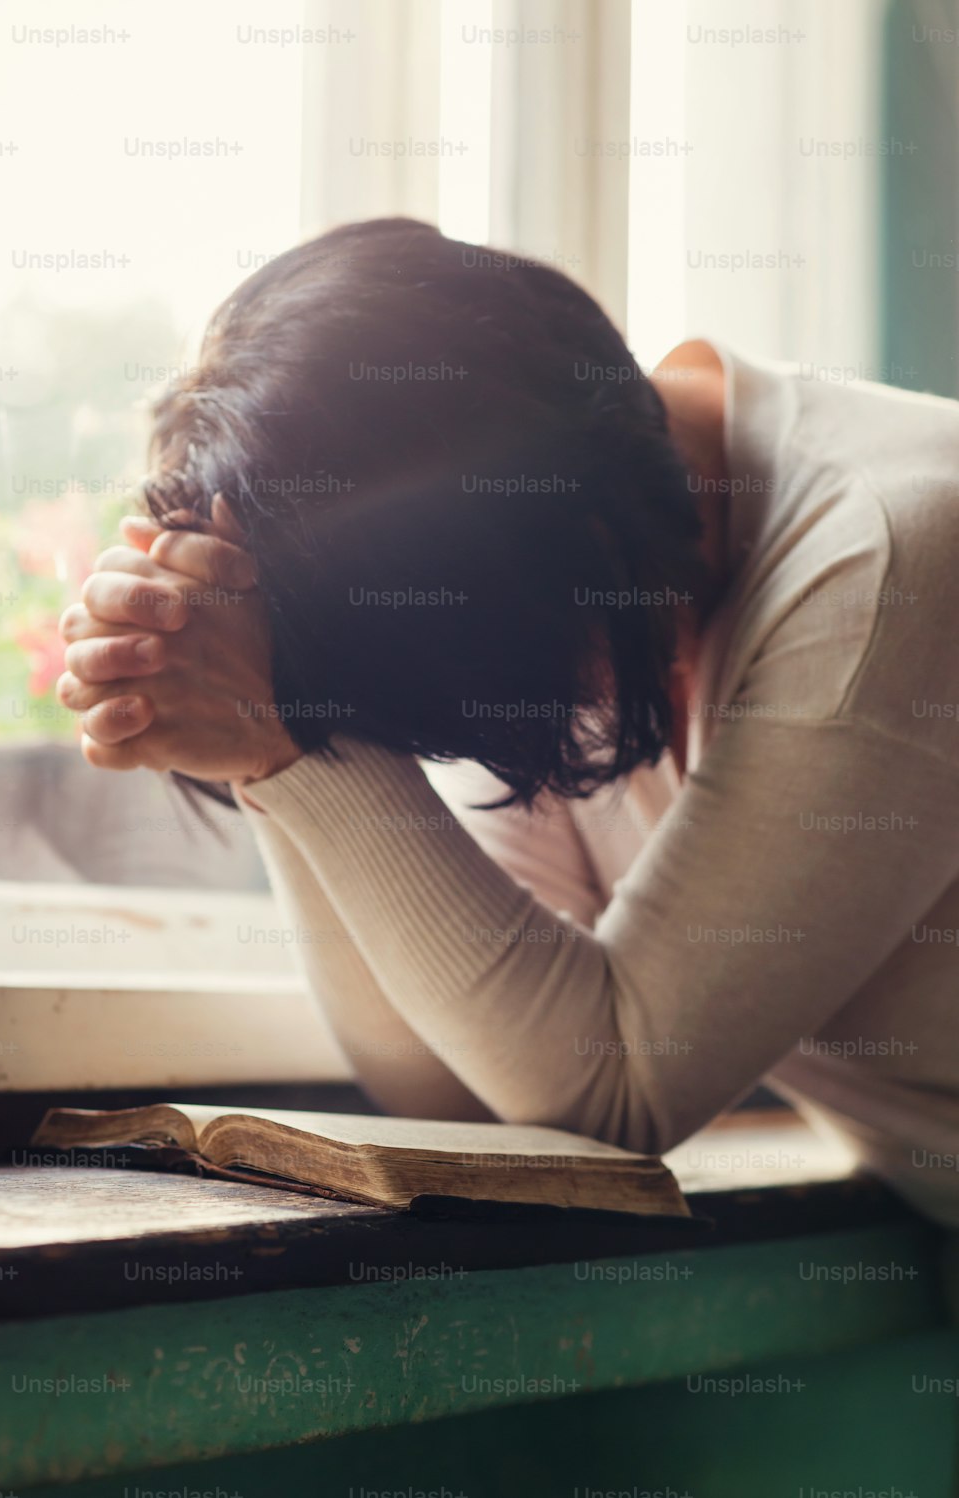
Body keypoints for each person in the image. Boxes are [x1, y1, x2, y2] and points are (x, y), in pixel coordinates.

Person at [57, 217, 959, 1225]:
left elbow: (612, 1096)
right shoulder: (579, 572)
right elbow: (458, 1080)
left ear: (585, 538)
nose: (564, 711)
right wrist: (263, 728)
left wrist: (283, 737)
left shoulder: (895, 555)